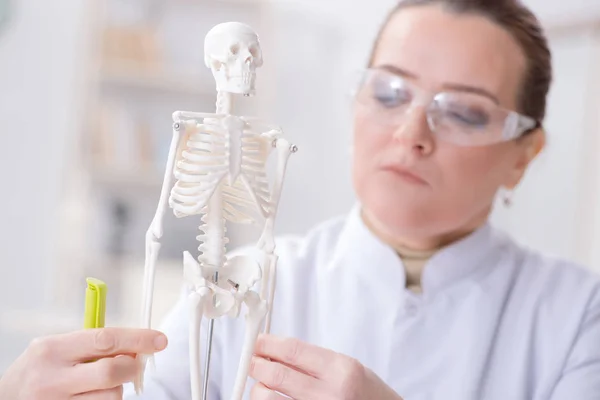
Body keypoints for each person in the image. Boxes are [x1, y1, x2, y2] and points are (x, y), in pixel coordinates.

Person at [1, 0, 599, 398]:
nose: (410, 134)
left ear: (526, 153)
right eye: (389, 93)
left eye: (465, 112)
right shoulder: (240, 286)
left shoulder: (578, 317)